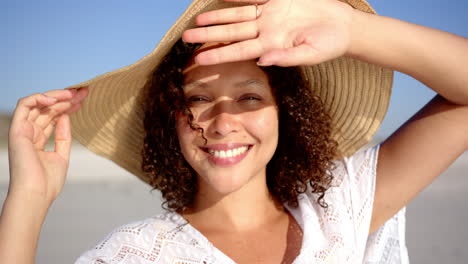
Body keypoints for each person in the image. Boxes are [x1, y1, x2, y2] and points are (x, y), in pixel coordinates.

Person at [1, 0, 467, 263]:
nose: (223, 123)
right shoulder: (136, 254)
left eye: (249, 98)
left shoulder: (342, 207)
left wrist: (351, 30)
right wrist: (29, 198)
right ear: (171, 119)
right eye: (198, 99)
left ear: (287, 113)